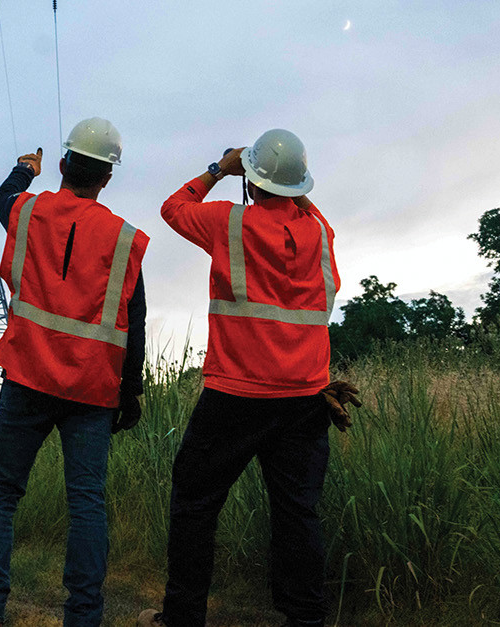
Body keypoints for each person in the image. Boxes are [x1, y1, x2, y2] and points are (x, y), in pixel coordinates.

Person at [139, 129, 353, 627]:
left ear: (251, 181)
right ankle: (306, 620)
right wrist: (276, 178)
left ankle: (183, 617)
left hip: (235, 395)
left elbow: (173, 207)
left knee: (195, 503)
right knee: (298, 514)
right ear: (299, 185)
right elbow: (303, 201)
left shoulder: (227, 222)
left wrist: (219, 169)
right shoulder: (320, 233)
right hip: (304, 399)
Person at [0, 117, 149, 627]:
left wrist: (23, 170)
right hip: (92, 391)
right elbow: (135, 323)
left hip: (27, 379)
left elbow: (2, 200)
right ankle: (84, 618)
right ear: (107, 177)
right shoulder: (125, 240)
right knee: (86, 505)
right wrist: (131, 397)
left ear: (62, 164)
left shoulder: (29, 210)